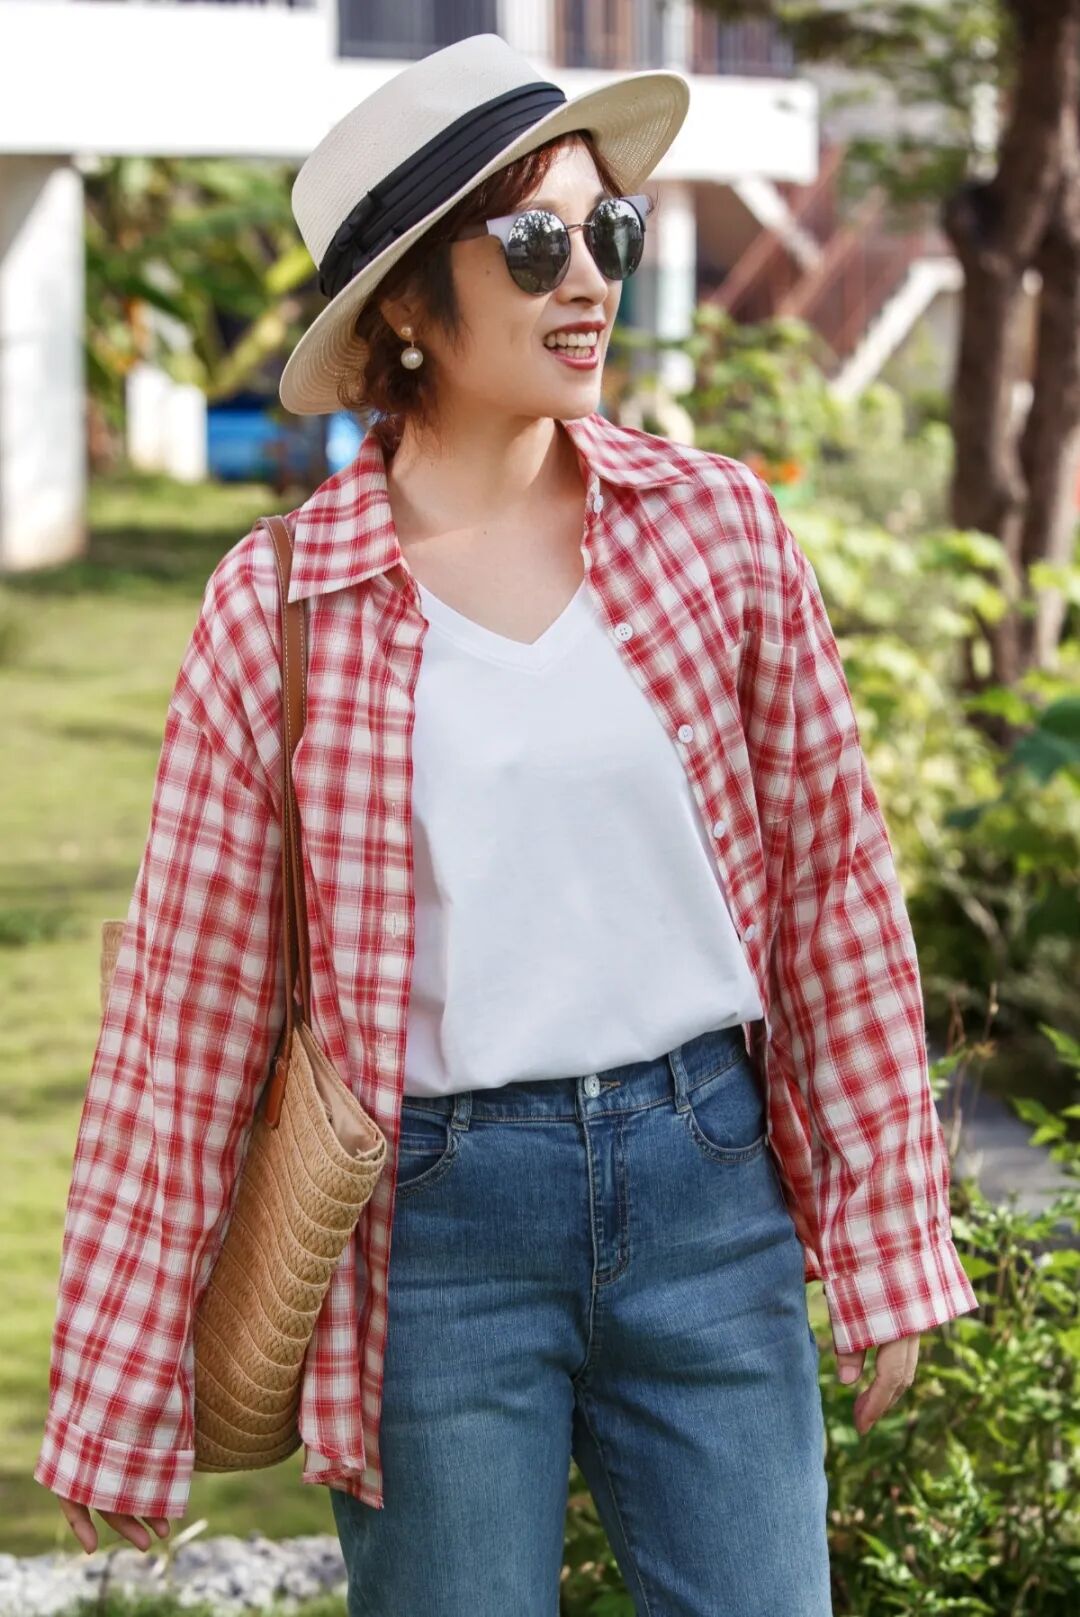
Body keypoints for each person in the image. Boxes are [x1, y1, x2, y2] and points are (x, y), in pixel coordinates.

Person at [36, 32, 979, 1616]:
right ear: (407, 305)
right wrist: (118, 1383)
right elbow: (188, 1010)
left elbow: (835, 900)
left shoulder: (722, 533)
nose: (589, 276)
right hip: (432, 1239)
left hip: (707, 1190)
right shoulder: (282, 605)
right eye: (535, 240)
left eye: (609, 229)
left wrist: (885, 1229)